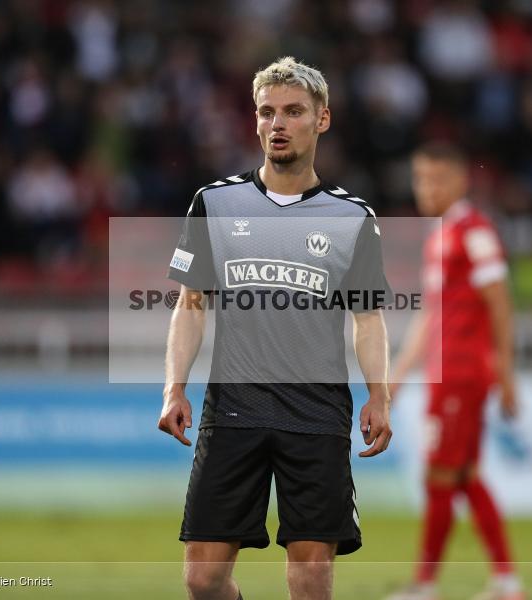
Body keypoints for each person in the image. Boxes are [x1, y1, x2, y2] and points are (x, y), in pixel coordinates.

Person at [158, 57, 394, 600]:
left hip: (316, 412)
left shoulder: (352, 217)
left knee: (311, 582)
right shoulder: (214, 203)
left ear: (322, 119)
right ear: (255, 120)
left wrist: (379, 395)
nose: (277, 123)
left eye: (293, 111)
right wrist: (174, 387)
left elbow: (368, 316)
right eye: (267, 112)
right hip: (234, 409)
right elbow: (191, 305)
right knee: (202, 580)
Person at [387, 143, 524, 600]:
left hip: (462, 373)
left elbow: (500, 302)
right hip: (446, 372)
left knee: (439, 477)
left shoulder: (475, 230)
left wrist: (506, 371)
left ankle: (425, 586)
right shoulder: (440, 235)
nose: (427, 188)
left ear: (462, 181)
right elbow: (432, 312)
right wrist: (400, 369)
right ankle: (507, 581)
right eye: (421, 178)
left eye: (437, 179)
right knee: (464, 475)